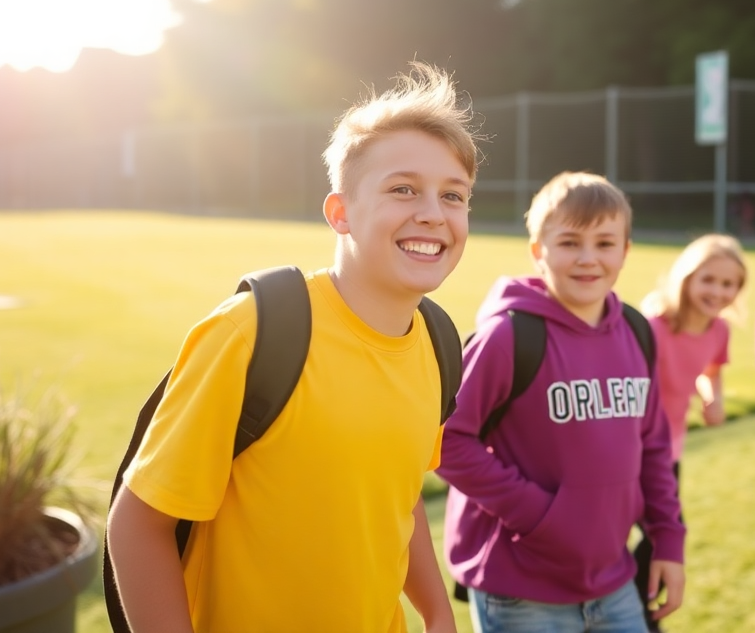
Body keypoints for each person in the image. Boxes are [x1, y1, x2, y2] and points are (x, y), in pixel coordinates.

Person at [105, 63, 480, 633]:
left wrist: (435, 612)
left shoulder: (438, 343)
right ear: (341, 213)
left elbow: (392, 499)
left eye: (453, 195)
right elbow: (137, 524)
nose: (433, 211)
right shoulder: (255, 330)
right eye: (403, 189)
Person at [439, 171, 686, 633]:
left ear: (626, 250)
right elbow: (447, 440)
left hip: (614, 579)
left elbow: (653, 447)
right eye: (570, 242)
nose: (588, 259)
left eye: (605, 243)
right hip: (520, 587)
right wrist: (540, 516)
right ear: (538, 251)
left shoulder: (636, 332)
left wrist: (668, 542)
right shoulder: (509, 336)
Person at [633, 233, 747, 630]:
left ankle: (641, 613)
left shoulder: (720, 332)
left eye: (728, 284)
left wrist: (713, 397)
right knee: (608, 539)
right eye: (709, 280)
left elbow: (710, 370)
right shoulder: (653, 326)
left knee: (660, 539)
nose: (718, 291)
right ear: (687, 278)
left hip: (670, 453)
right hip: (627, 450)